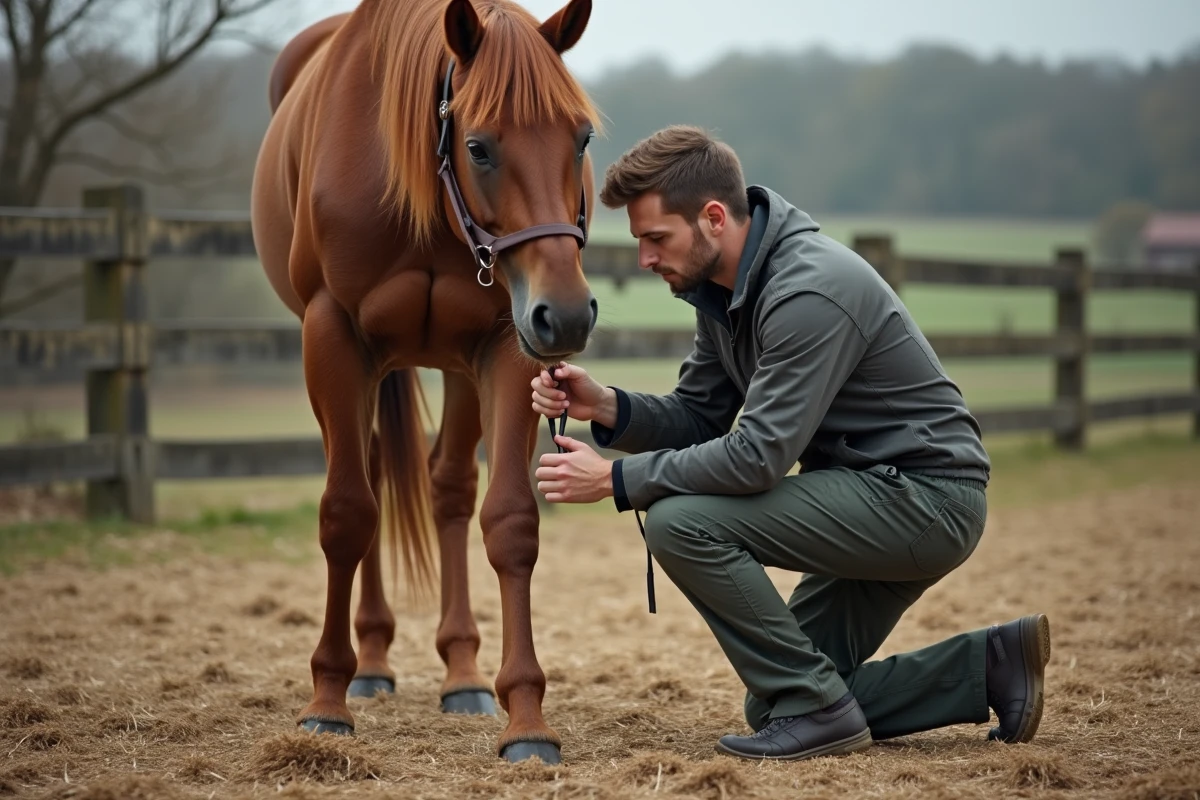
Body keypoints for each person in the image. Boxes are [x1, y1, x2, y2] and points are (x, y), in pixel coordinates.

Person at [531, 125, 1050, 763]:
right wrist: (608, 406)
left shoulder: (807, 290)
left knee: (680, 522)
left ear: (713, 218)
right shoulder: (723, 292)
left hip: (925, 501)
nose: (644, 258)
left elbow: (756, 458)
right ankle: (991, 665)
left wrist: (614, 480)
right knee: (780, 697)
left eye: (655, 238)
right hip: (871, 496)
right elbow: (700, 416)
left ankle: (823, 712)